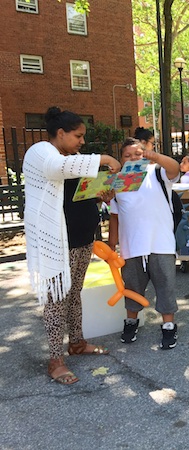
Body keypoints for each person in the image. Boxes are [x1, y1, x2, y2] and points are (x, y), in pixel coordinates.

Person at [23, 106, 121, 385]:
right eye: (78, 136)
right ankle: (55, 360)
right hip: (57, 241)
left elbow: (80, 194)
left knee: (74, 293)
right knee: (56, 300)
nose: (82, 141)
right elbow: (58, 170)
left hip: (83, 239)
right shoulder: (41, 152)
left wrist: (102, 194)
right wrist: (104, 158)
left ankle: (77, 343)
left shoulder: (76, 158)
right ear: (60, 133)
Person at [108, 138, 181, 350]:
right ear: (121, 160)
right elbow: (115, 215)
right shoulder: (117, 182)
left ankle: (168, 325)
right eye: (127, 156)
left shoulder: (157, 173)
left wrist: (153, 156)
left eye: (137, 154)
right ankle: (131, 321)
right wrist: (112, 246)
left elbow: (175, 168)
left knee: (166, 286)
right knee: (132, 287)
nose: (132, 159)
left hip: (161, 243)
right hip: (132, 246)